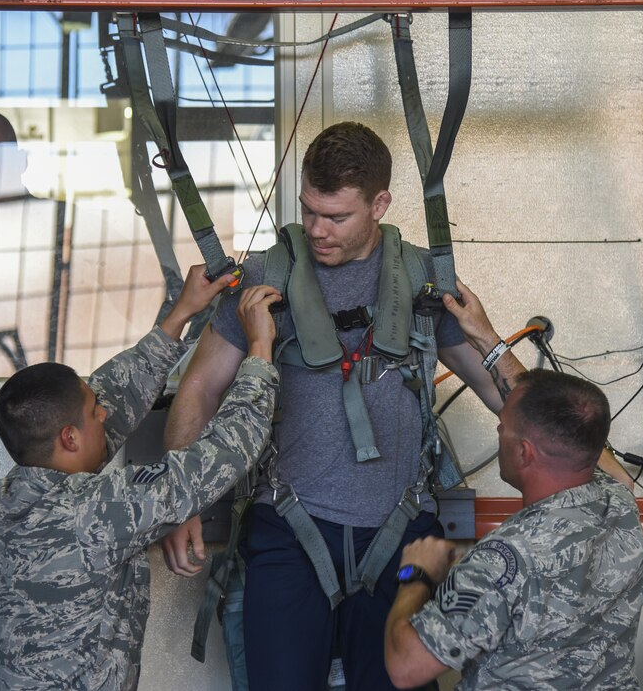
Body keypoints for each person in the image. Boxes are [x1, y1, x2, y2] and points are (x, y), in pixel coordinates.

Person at [160, 121, 529, 690]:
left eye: (336, 217)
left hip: (400, 530)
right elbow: (201, 388)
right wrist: (180, 501)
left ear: (380, 203)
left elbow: (510, 399)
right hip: (289, 526)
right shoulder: (266, 277)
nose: (316, 230)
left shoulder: (423, 280)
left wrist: (491, 340)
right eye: (308, 211)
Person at [0, 264, 282, 690]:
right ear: (68, 437)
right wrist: (260, 350)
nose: (105, 411)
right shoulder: (95, 511)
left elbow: (109, 402)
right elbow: (225, 452)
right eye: (93, 409)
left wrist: (181, 314)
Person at [384, 369, 643, 690]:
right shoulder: (619, 501)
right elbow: (585, 431)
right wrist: (487, 340)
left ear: (524, 452)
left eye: (503, 427)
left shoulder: (502, 559)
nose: (499, 429)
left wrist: (416, 575)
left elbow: (405, 667)